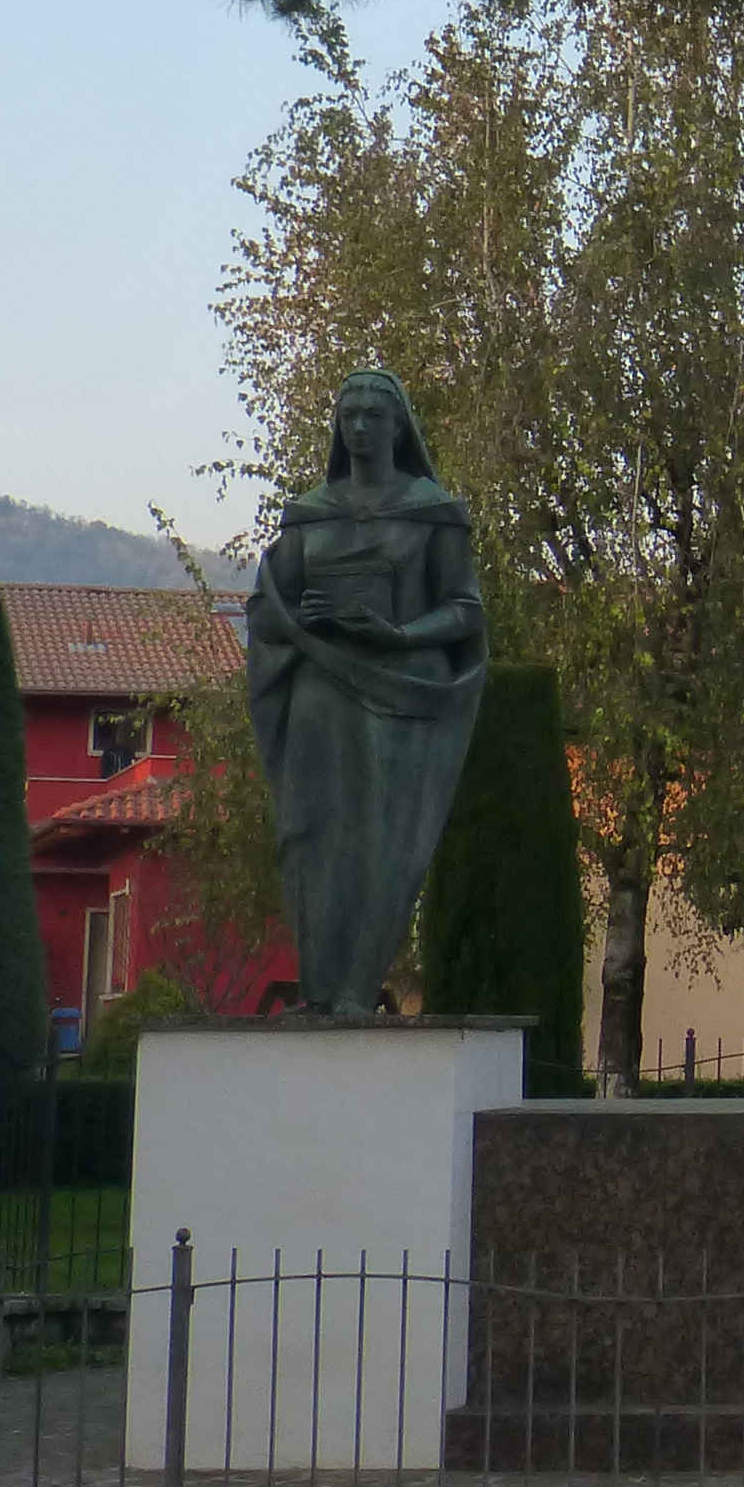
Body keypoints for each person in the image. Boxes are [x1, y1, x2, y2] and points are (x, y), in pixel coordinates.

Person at [242, 367, 491, 1012]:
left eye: (372, 415)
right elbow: (267, 611)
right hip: (320, 695)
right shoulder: (308, 517)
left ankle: (354, 989)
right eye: (348, 414)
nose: (358, 425)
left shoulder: (432, 515)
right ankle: (320, 989)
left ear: (397, 425)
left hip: (401, 697)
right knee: (310, 833)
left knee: (382, 842)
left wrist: (397, 633)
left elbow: (465, 610)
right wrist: (301, 619)